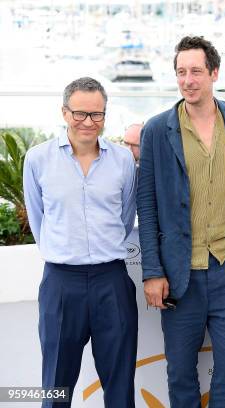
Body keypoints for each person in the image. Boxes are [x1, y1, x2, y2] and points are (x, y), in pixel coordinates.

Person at [137, 36, 225, 407]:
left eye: (196, 71)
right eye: (181, 72)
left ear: (214, 73)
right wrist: (152, 271)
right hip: (180, 274)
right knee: (180, 372)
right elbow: (146, 205)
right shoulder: (156, 130)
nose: (188, 80)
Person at [23, 77, 138, 407]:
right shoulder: (37, 159)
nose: (88, 122)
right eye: (80, 113)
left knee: (119, 389)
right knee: (56, 388)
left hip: (112, 281)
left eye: (97, 114)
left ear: (105, 115)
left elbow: (125, 216)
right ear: (64, 112)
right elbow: (38, 218)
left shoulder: (122, 161)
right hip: (61, 283)